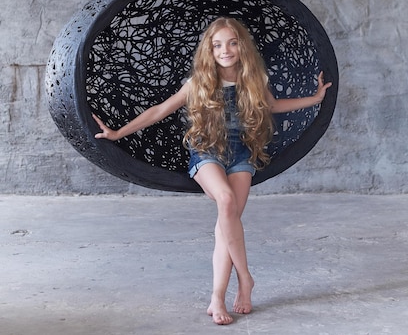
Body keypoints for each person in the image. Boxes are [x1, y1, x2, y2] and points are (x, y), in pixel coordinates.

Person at [93, 17, 331, 326]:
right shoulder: (200, 82)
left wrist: (314, 99)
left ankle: (217, 297)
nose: (225, 50)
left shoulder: (254, 79)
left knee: (225, 226)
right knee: (226, 202)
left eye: (232, 42)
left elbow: (272, 106)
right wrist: (117, 133)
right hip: (207, 151)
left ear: (242, 46)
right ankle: (246, 278)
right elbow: (159, 111)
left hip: (241, 153)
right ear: (210, 50)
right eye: (217, 44)